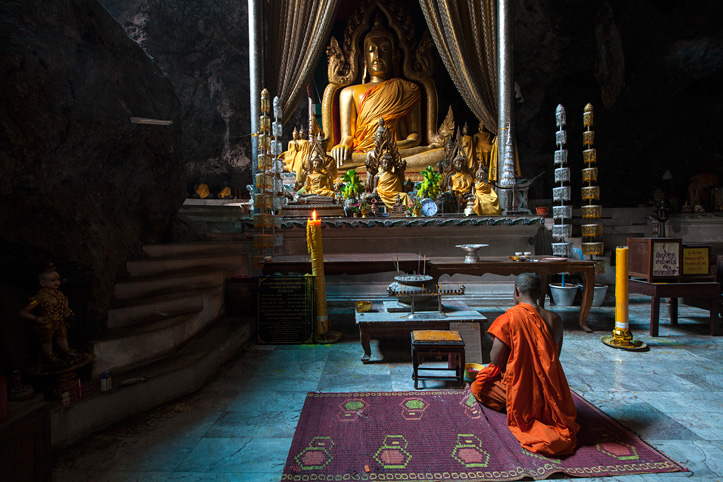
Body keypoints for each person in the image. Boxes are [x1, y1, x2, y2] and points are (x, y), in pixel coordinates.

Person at [471, 273, 579, 456]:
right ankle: (539, 409)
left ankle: (520, 407)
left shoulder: (508, 319)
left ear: (516, 291)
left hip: (520, 389)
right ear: (540, 293)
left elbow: (495, 360)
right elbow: (553, 358)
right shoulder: (555, 320)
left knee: (479, 386)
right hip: (551, 392)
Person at [330, 19, 422, 169]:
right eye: (371, 50)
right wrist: (343, 145)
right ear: (364, 59)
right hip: (362, 154)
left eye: (384, 49)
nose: (377, 55)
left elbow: (415, 137)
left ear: (395, 56)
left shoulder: (407, 89)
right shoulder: (348, 93)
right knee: (331, 161)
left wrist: (389, 148)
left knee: (437, 155)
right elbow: (348, 137)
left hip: (397, 154)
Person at [19, 265, 76, 365]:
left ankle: (66, 351)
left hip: (59, 320)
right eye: (52, 280)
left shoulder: (60, 295)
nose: (56, 282)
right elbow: (23, 312)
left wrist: (66, 311)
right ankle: (49, 356)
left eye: (58, 279)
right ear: (42, 283)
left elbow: (65, 302)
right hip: (47, 322)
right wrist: (37, 319)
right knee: (47, 340)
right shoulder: (40, 297)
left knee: (62, 336)